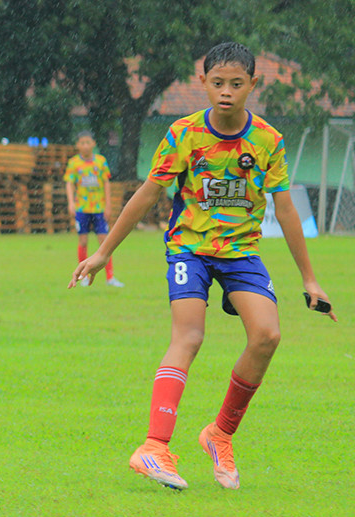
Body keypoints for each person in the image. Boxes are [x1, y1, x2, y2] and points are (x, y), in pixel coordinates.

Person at [69, 42, 337, 491]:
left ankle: (219, 435)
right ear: (203, 84)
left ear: (254, 84)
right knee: (189, 335)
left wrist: (309, 278)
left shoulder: (268, 140)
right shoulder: (184, 134)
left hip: (241, 253)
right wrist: (102, 254)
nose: (226, 92)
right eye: (218, 83)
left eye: (236, 84)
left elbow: (287, 211)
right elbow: (147, 195)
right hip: (188, 250)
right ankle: (154, 447)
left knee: (268, 336)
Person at [64, 131, 123, 287]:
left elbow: (106, 183)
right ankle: (82, 276)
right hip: (82, 208)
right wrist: (71, 203)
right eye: (82, 143)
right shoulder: (74, 163)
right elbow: (69, 183)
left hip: (99, 208)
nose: (85, 145)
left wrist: (108, 205)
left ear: (93, 144)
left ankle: (110, 277)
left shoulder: (100, 162)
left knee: (105, 242)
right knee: (83, 241)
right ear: (77, 145)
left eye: (87, 142)